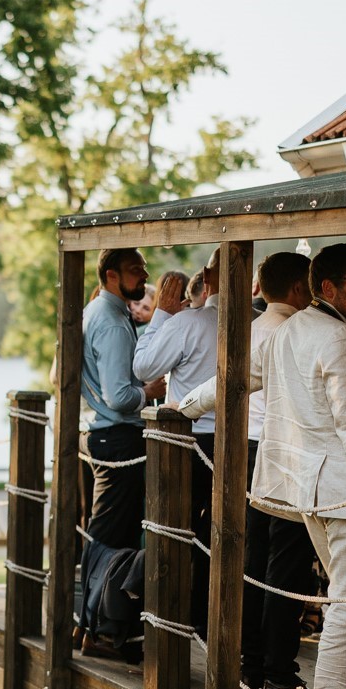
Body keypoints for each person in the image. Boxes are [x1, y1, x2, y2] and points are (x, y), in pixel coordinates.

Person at [248, 243, 346, 689]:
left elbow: (237, 379)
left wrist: (184, 408)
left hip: (308, 490)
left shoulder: (287, 331)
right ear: (327, 286)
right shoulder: (337, 339)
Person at [177, 252, 315, 689]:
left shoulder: (249, 330)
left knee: (253, 561)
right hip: (282, 454)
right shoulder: (295, 333)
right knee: (285, 566)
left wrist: (182, 408)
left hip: (246, 452)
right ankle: (277, 668)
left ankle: (250, 660)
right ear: (298, 289)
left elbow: (220, 384)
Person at [132, 249, 221, 633]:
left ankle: (164, 615)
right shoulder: (254, 322)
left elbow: (144, 367)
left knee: (174, 528)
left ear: (206, 277)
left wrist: (162, 315)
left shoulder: (187, 322)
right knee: (217, 534)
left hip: (190, 443)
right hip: (240, 444)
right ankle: (205, 617)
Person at [80, 248, 166, 550]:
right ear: (111, 275)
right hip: (116, 438)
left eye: (143, 267)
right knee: (111, 537)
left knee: (107, 532)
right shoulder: (113, 323)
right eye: (135, 269)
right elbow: (117, 397)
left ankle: (99, 596)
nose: (144, 274)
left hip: (102, 435)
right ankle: (99, 598)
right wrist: (150, 392)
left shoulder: (98, 311)